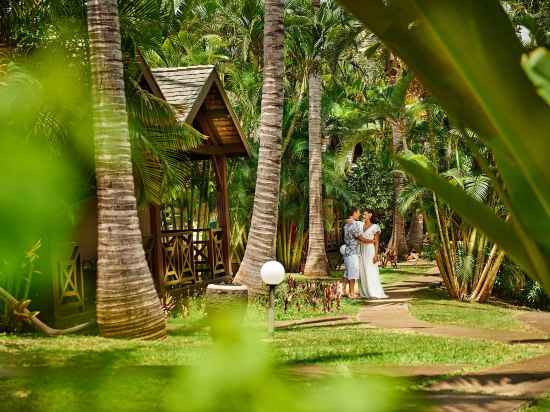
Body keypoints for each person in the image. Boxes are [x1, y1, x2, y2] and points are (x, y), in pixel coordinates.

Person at [341, 207, 373, 298]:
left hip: (347, 251)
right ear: (354, 213)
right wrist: (371, 241)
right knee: (352, 273)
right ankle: (351, 293)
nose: (359, 214)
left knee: (347, 272)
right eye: (358, 212)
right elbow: (359, 237)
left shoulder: (346, 225)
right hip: (352, 252)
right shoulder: (353, 224)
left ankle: (342, 291)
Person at [358, 209, 389, 299]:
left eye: (365, 214)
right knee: (362, 271)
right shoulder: (360, 226)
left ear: (370, 215)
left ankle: (373, 291)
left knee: (371, 270)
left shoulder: (375, 226)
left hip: (370, 251)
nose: (363, 216)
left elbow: (377, 242)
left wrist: (375, 255)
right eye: (363, 214)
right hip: (361, 250)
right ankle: (364, 291)